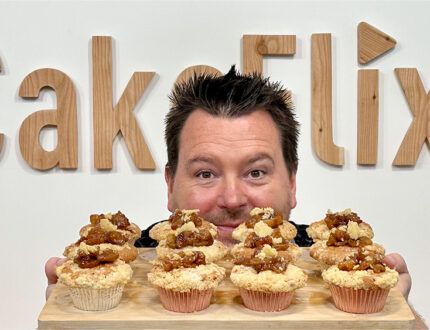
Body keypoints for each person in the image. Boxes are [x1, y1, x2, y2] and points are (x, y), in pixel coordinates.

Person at [45, 66, 412, 302]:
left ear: (293, 182)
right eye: (205, 173)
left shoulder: (330, 268)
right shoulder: (131, 264)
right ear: (171, 184)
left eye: (256, 172)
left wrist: (398, 322)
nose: (233, 198)